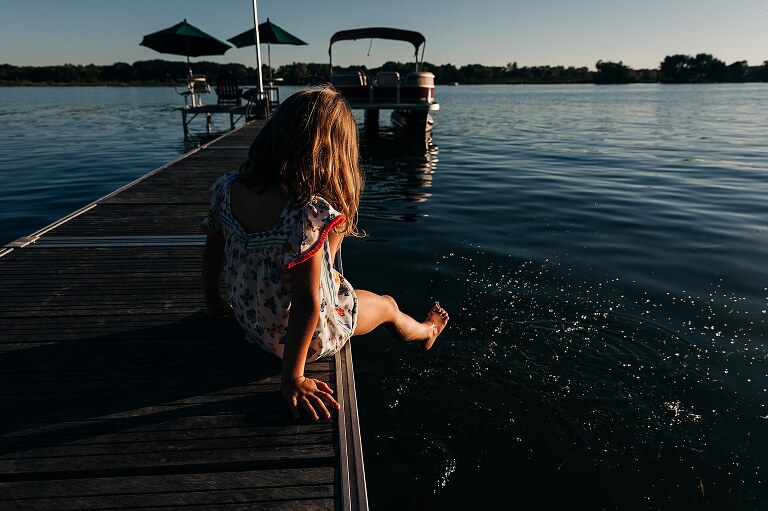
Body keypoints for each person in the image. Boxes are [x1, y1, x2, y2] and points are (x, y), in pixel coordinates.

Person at [201, 88, 449, 422]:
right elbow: (307, 301)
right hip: (304, 340)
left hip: (251, 319)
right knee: (388, 305)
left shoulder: (226, 188)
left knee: (326, 249)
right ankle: (427, 332)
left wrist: (215, 303)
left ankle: (329, 268)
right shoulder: (306, 214)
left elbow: (212, 250)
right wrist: (293, 379)